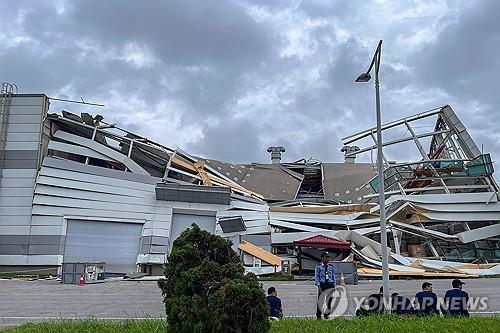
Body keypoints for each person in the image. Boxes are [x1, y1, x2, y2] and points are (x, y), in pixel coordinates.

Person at [314, 251, 336, 319]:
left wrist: (334, 285)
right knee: (321, 301)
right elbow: (317, 277)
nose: (328, 259)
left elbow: (333, 276)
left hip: (330, 285)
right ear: (322, 258)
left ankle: (327, 314)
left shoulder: (330, 267)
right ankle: (318, 316)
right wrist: (318, 286)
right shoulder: (318, 267)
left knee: (329, 301)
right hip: (322, 285)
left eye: (328, 257)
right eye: (326, 257)